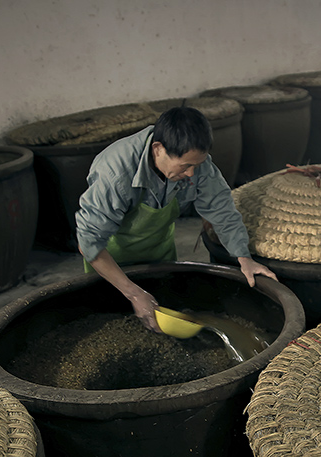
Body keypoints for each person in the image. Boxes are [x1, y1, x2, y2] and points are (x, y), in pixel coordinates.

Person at [75, 106, 276, 333]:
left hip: (159, 251)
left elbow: (222, 210)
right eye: (185, 166)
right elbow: (88, 243)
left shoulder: (198, 166)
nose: (191, 173)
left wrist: (244, 257)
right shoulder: (115, 172)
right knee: (112, 323)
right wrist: (132, 292)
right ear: (158, 149)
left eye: (196, 165)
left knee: (164, 313)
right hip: (112, 257)